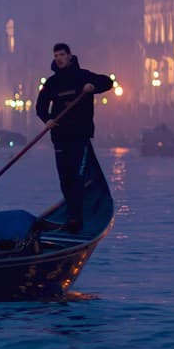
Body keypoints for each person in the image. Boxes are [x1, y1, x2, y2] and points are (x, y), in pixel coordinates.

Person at [33, 42, 113, 233]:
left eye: (62, 54)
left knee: (77, 176)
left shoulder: (83, 75)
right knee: (65, 177)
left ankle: (76, 218)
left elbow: (108, 82)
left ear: (70, 56)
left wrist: (92, 86)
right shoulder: (52, 83)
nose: (59, 58)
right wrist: (48, 120)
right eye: (56, 55)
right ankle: (72, 213)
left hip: (79, 135)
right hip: (60, 136)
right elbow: (40, 107)